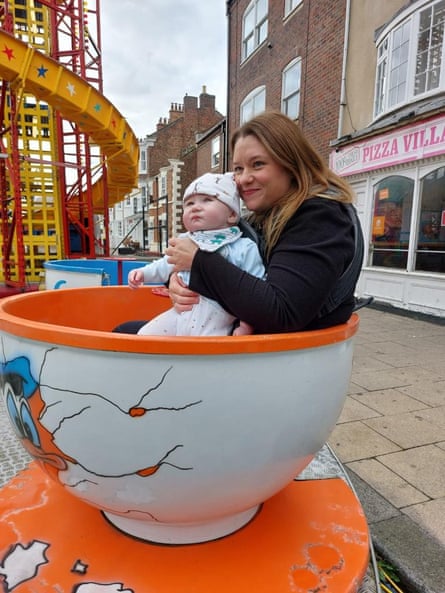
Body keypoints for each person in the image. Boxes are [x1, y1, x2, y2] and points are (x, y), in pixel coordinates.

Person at [165, 110, 363, 334]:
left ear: (291, 165)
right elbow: (219, 265)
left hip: (285, 359)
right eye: (238, 168)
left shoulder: (320, 218)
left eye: (257, 164)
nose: (243, 179)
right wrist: (176, 282)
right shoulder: (261, 216)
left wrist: (199, 262)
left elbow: (282, 312)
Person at [124, 172, 265, 336]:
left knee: (203, 355)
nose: (196, 207)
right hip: (182, 313)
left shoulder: (242, 246)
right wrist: (143, 273)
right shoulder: (185, 241)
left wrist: (246, 323)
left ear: (232, 214)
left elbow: (256, 285)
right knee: (144, 336)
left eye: (207, 200)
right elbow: (166, 264)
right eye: (189, 203)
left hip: (216, 318)